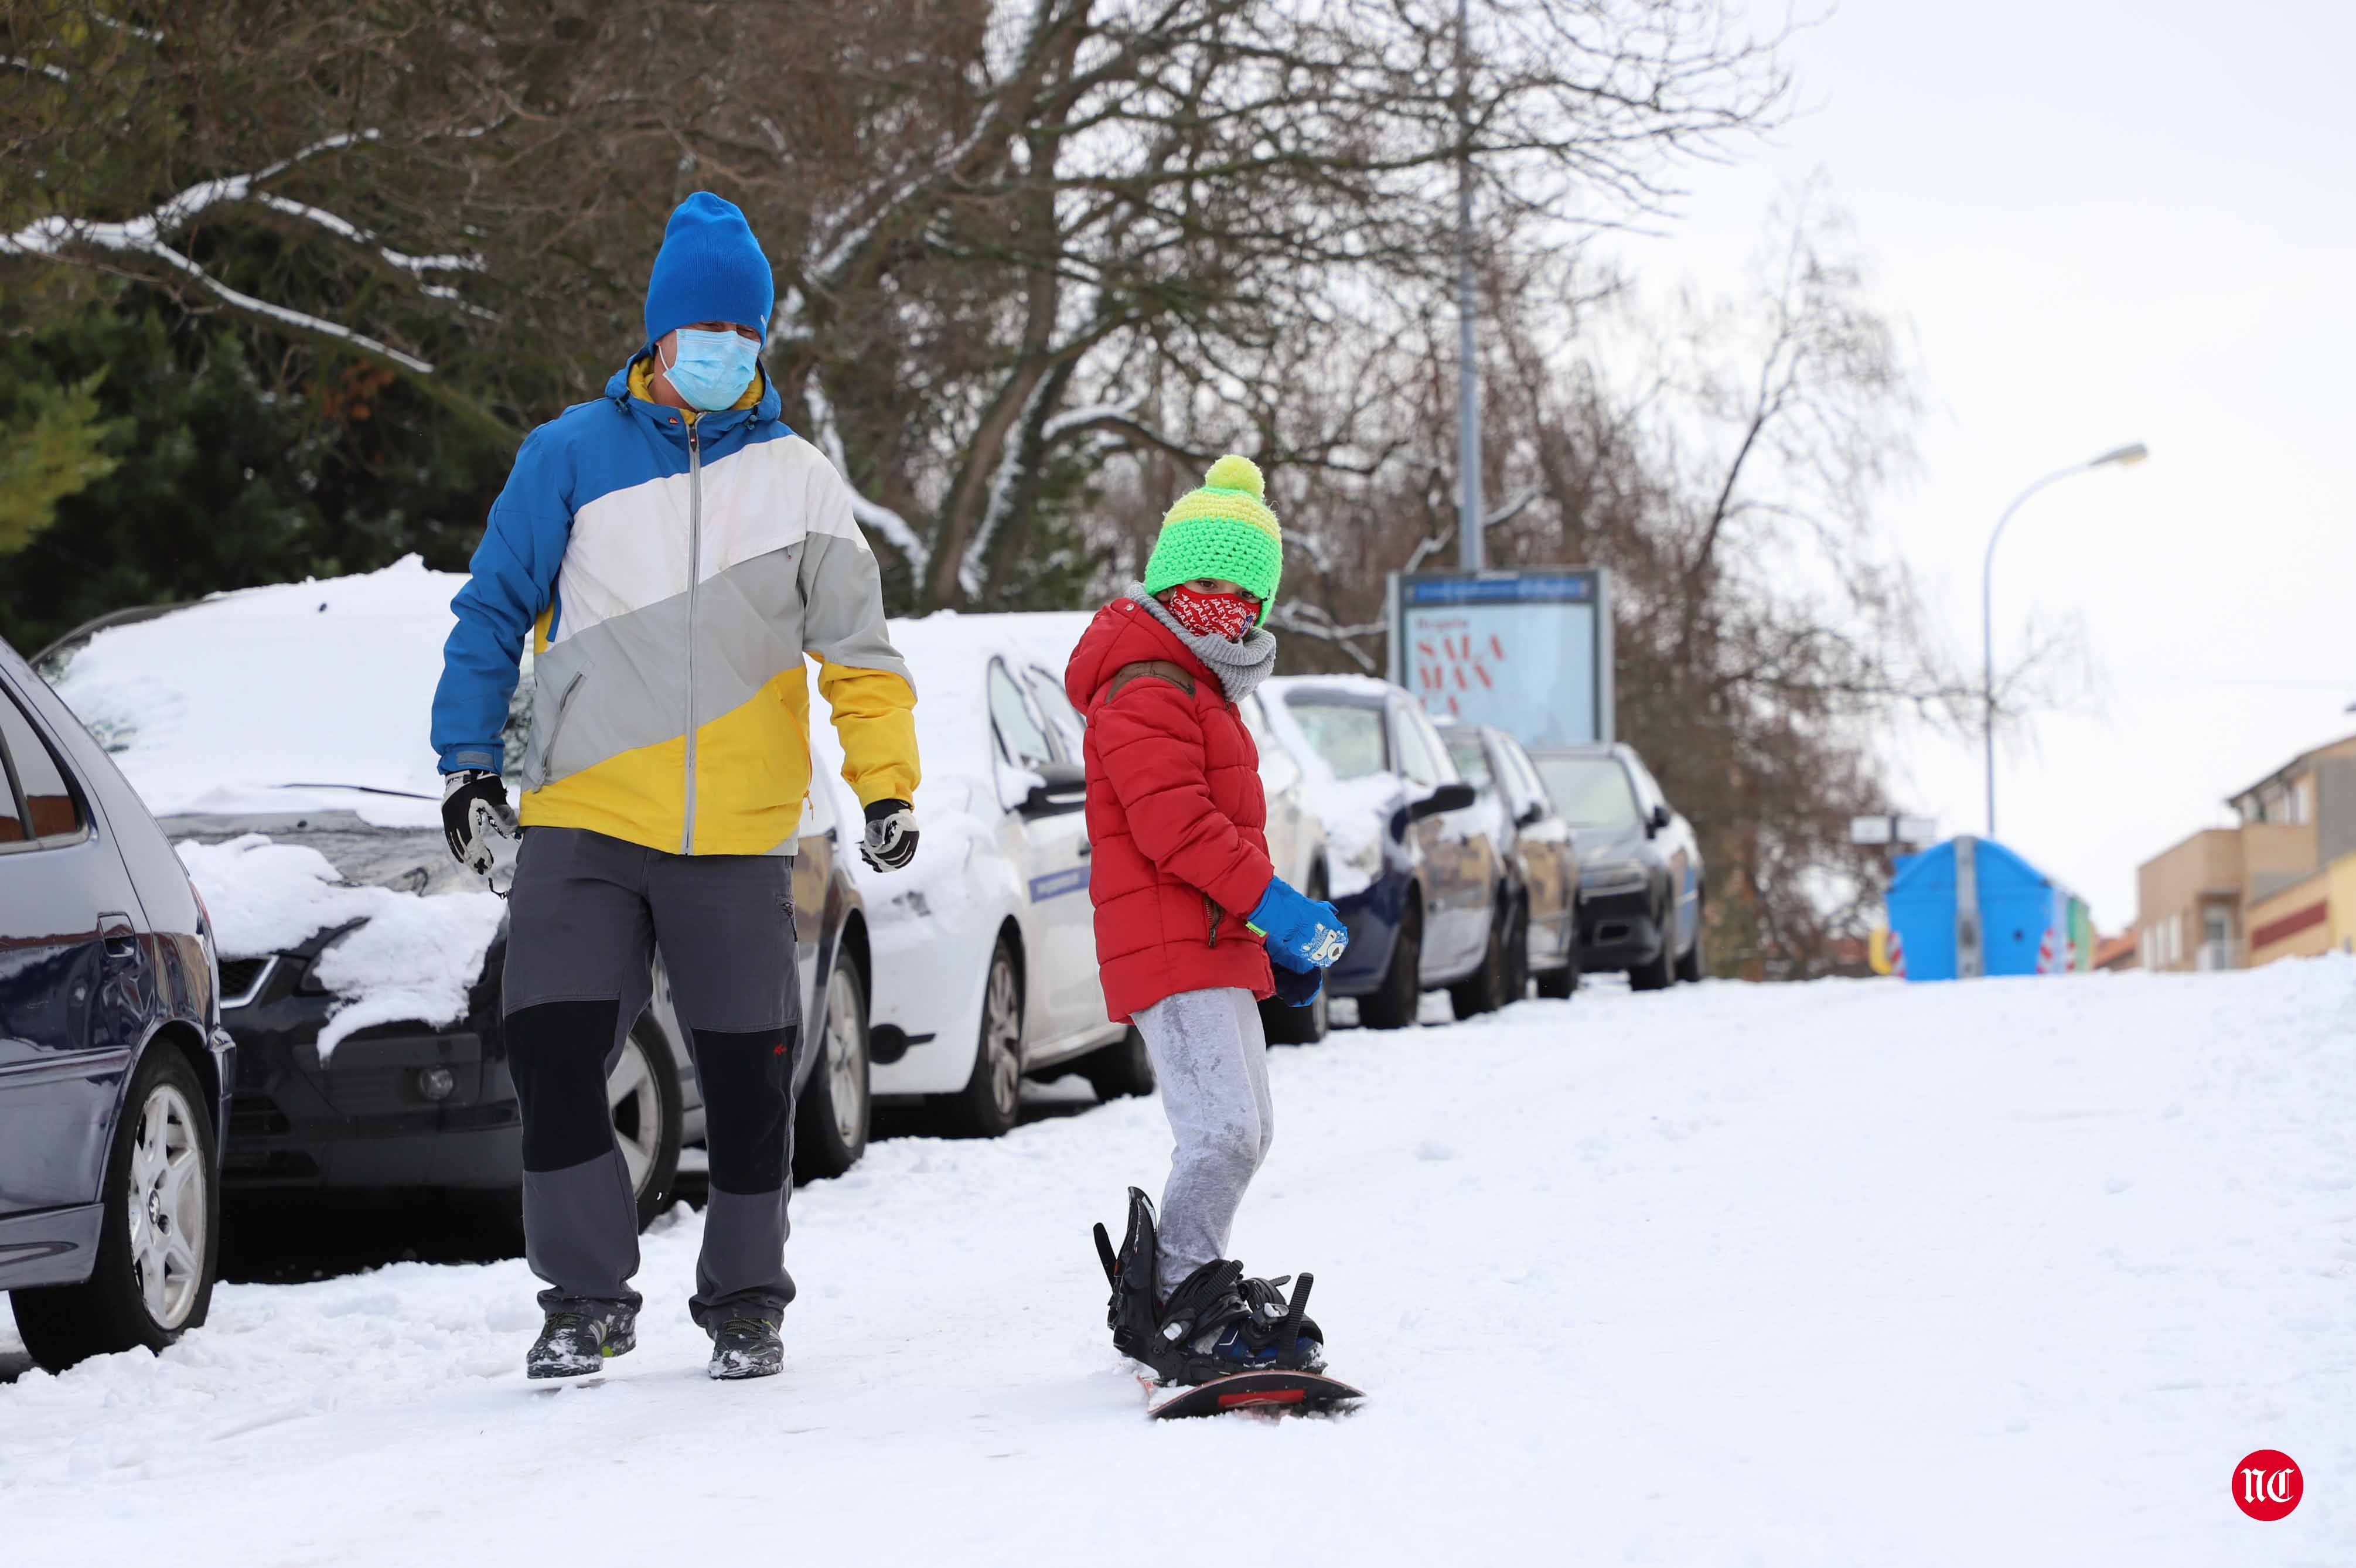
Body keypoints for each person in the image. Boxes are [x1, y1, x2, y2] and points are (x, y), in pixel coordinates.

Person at [429, 192, 921, 1382]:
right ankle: (584, 1299)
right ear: (659, 334)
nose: (725, 348)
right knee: (553, 1059)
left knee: (752, 1086)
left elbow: (859, 654)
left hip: (741, 834)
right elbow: (490, 613)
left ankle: (746, 1301)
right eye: (706, 329)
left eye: (744, 332)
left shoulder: (802, 481)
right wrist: (468, 766)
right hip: (584, 819)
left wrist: (887, 787)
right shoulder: (567, 456)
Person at [1062, 454, 1349, 1386]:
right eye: (1206, 583)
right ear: (1168, 581)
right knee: (1220, 1131)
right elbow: (1175, 827)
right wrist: (1277, 909)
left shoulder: (1202, 688)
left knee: (1247, 1130)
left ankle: (1192, 1287)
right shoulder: (1147, 684)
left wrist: (1269, 938)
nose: (1224, 603)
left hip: (1210, 943)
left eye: (1243, 590)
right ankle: (1179, 1302)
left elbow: (1217, 836)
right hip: (1166, 947)